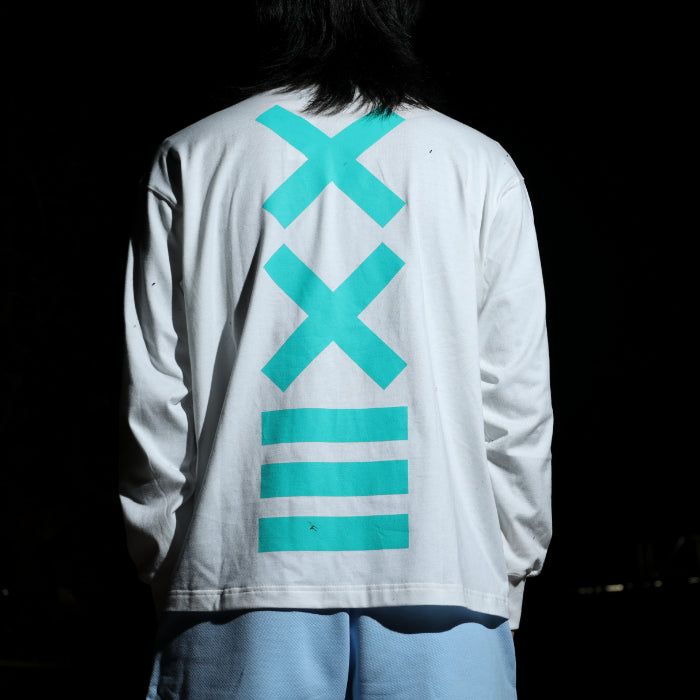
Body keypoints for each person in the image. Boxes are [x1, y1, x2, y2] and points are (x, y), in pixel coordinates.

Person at [119, 1, 553, 697]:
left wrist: (173, 562)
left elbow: (157, 399)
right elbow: (516, 401)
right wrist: (505, 564)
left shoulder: (194, 156)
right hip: (445, 574)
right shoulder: (478, 164)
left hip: (237, 579)